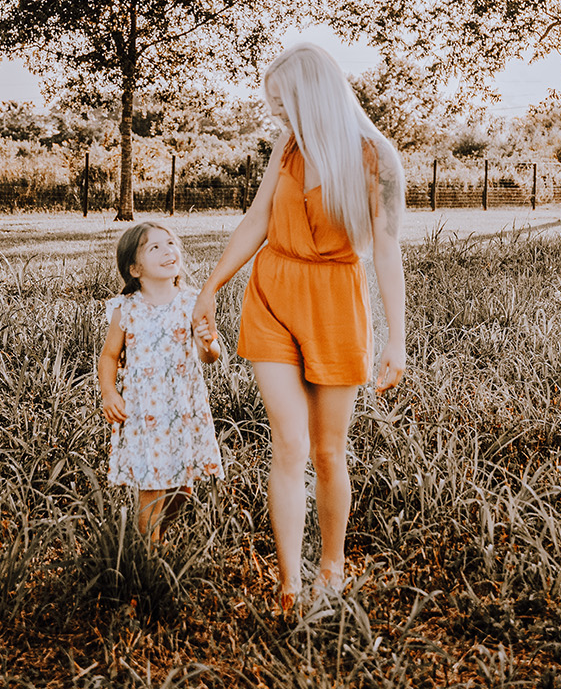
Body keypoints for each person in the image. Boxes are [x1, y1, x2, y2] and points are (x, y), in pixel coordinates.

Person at [192, 43, 406, 608]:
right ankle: (289, 582)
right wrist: (211, 286)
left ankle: (330, 567)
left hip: (336, 302)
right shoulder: (286, 148)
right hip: (273, 295)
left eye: (282, 105)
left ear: (311, 96)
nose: (277, 117)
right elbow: (258, 219)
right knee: (288, 444)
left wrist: (397, 340)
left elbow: (387, 255)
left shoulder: (378, 160)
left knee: (328, 451)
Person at [99, 221, 225, 541]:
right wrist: (110, 392)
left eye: (171, 243)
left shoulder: (192, 302)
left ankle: (156, 533)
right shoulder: (125, 309)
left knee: (182, 489)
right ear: (135, 269)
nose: (168, 250)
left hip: (184, 408)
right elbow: (110, 356)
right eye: (154, 247)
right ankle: (147, 559)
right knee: (152, 489)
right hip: (145, 412)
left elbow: (211, 356)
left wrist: (206, 342)